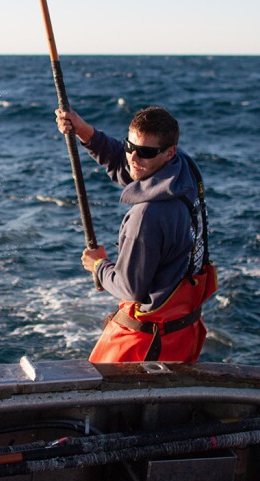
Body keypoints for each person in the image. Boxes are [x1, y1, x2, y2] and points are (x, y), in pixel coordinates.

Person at [55, 106, 217, 363]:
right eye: (130, 146)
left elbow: (129, 288)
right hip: (184, 331)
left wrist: (97, 265)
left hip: (149, 344)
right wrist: (84, 132)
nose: (133, 157)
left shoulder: (146, 217)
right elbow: (127, 165)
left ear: (168, 152)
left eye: (145, 152)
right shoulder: (183, 170)